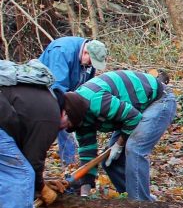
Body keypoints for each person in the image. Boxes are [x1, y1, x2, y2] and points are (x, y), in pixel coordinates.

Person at [62, 70, 177, 201]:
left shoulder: (96, 100)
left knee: (135, 148)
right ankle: (132, 198)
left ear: (69, 114)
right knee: (110, 161)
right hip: (132, 112)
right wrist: (84, 194)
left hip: (159, 100)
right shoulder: (79, 120)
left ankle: (141, 205)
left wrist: (118, 144)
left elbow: (133, 118)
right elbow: (88, 156)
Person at [0, 81, 66, 208]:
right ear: (65, 112)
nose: (62, 129)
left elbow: (22, 156)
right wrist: (41, 188)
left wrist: (42, 183)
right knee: (21, 175)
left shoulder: (40, 98)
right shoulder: (51, 115)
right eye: (67, 125)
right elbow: (32, 161)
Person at [38, 37, 108, 166]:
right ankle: (71, 164)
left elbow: (86, 87)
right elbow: (58, 88)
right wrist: (73, 112)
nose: (92, 65)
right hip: (46, 94)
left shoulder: (88, 61)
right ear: (86, 52)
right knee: (66, 122)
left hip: (66, 93)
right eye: (92, 61)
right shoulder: (61, 51)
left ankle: (81, 161)